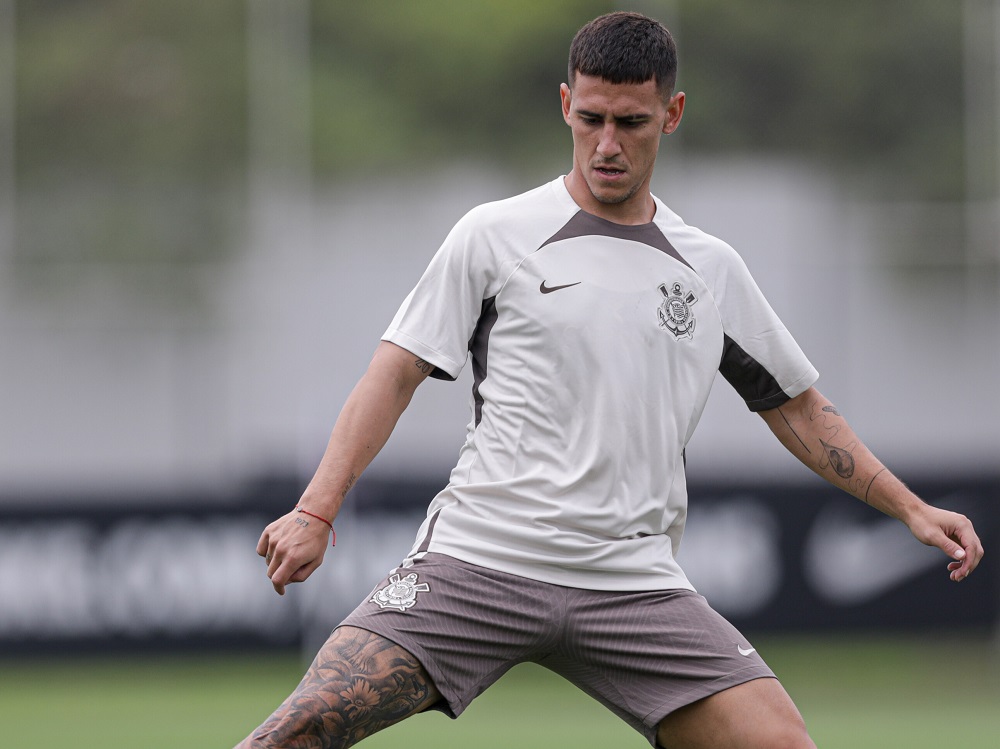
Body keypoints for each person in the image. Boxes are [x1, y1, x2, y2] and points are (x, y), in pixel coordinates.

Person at [236, 11, 984, 749]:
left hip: (633, 584)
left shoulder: (710, 269)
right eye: (590, 118)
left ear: (672, 114)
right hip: (481, 562)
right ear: (566, 104)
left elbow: (796, 406)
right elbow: (394, 373)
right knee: (299, 729)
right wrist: (316, 510)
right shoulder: (493, 235)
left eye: (631, 122)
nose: (607, 143)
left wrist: (911, 509)